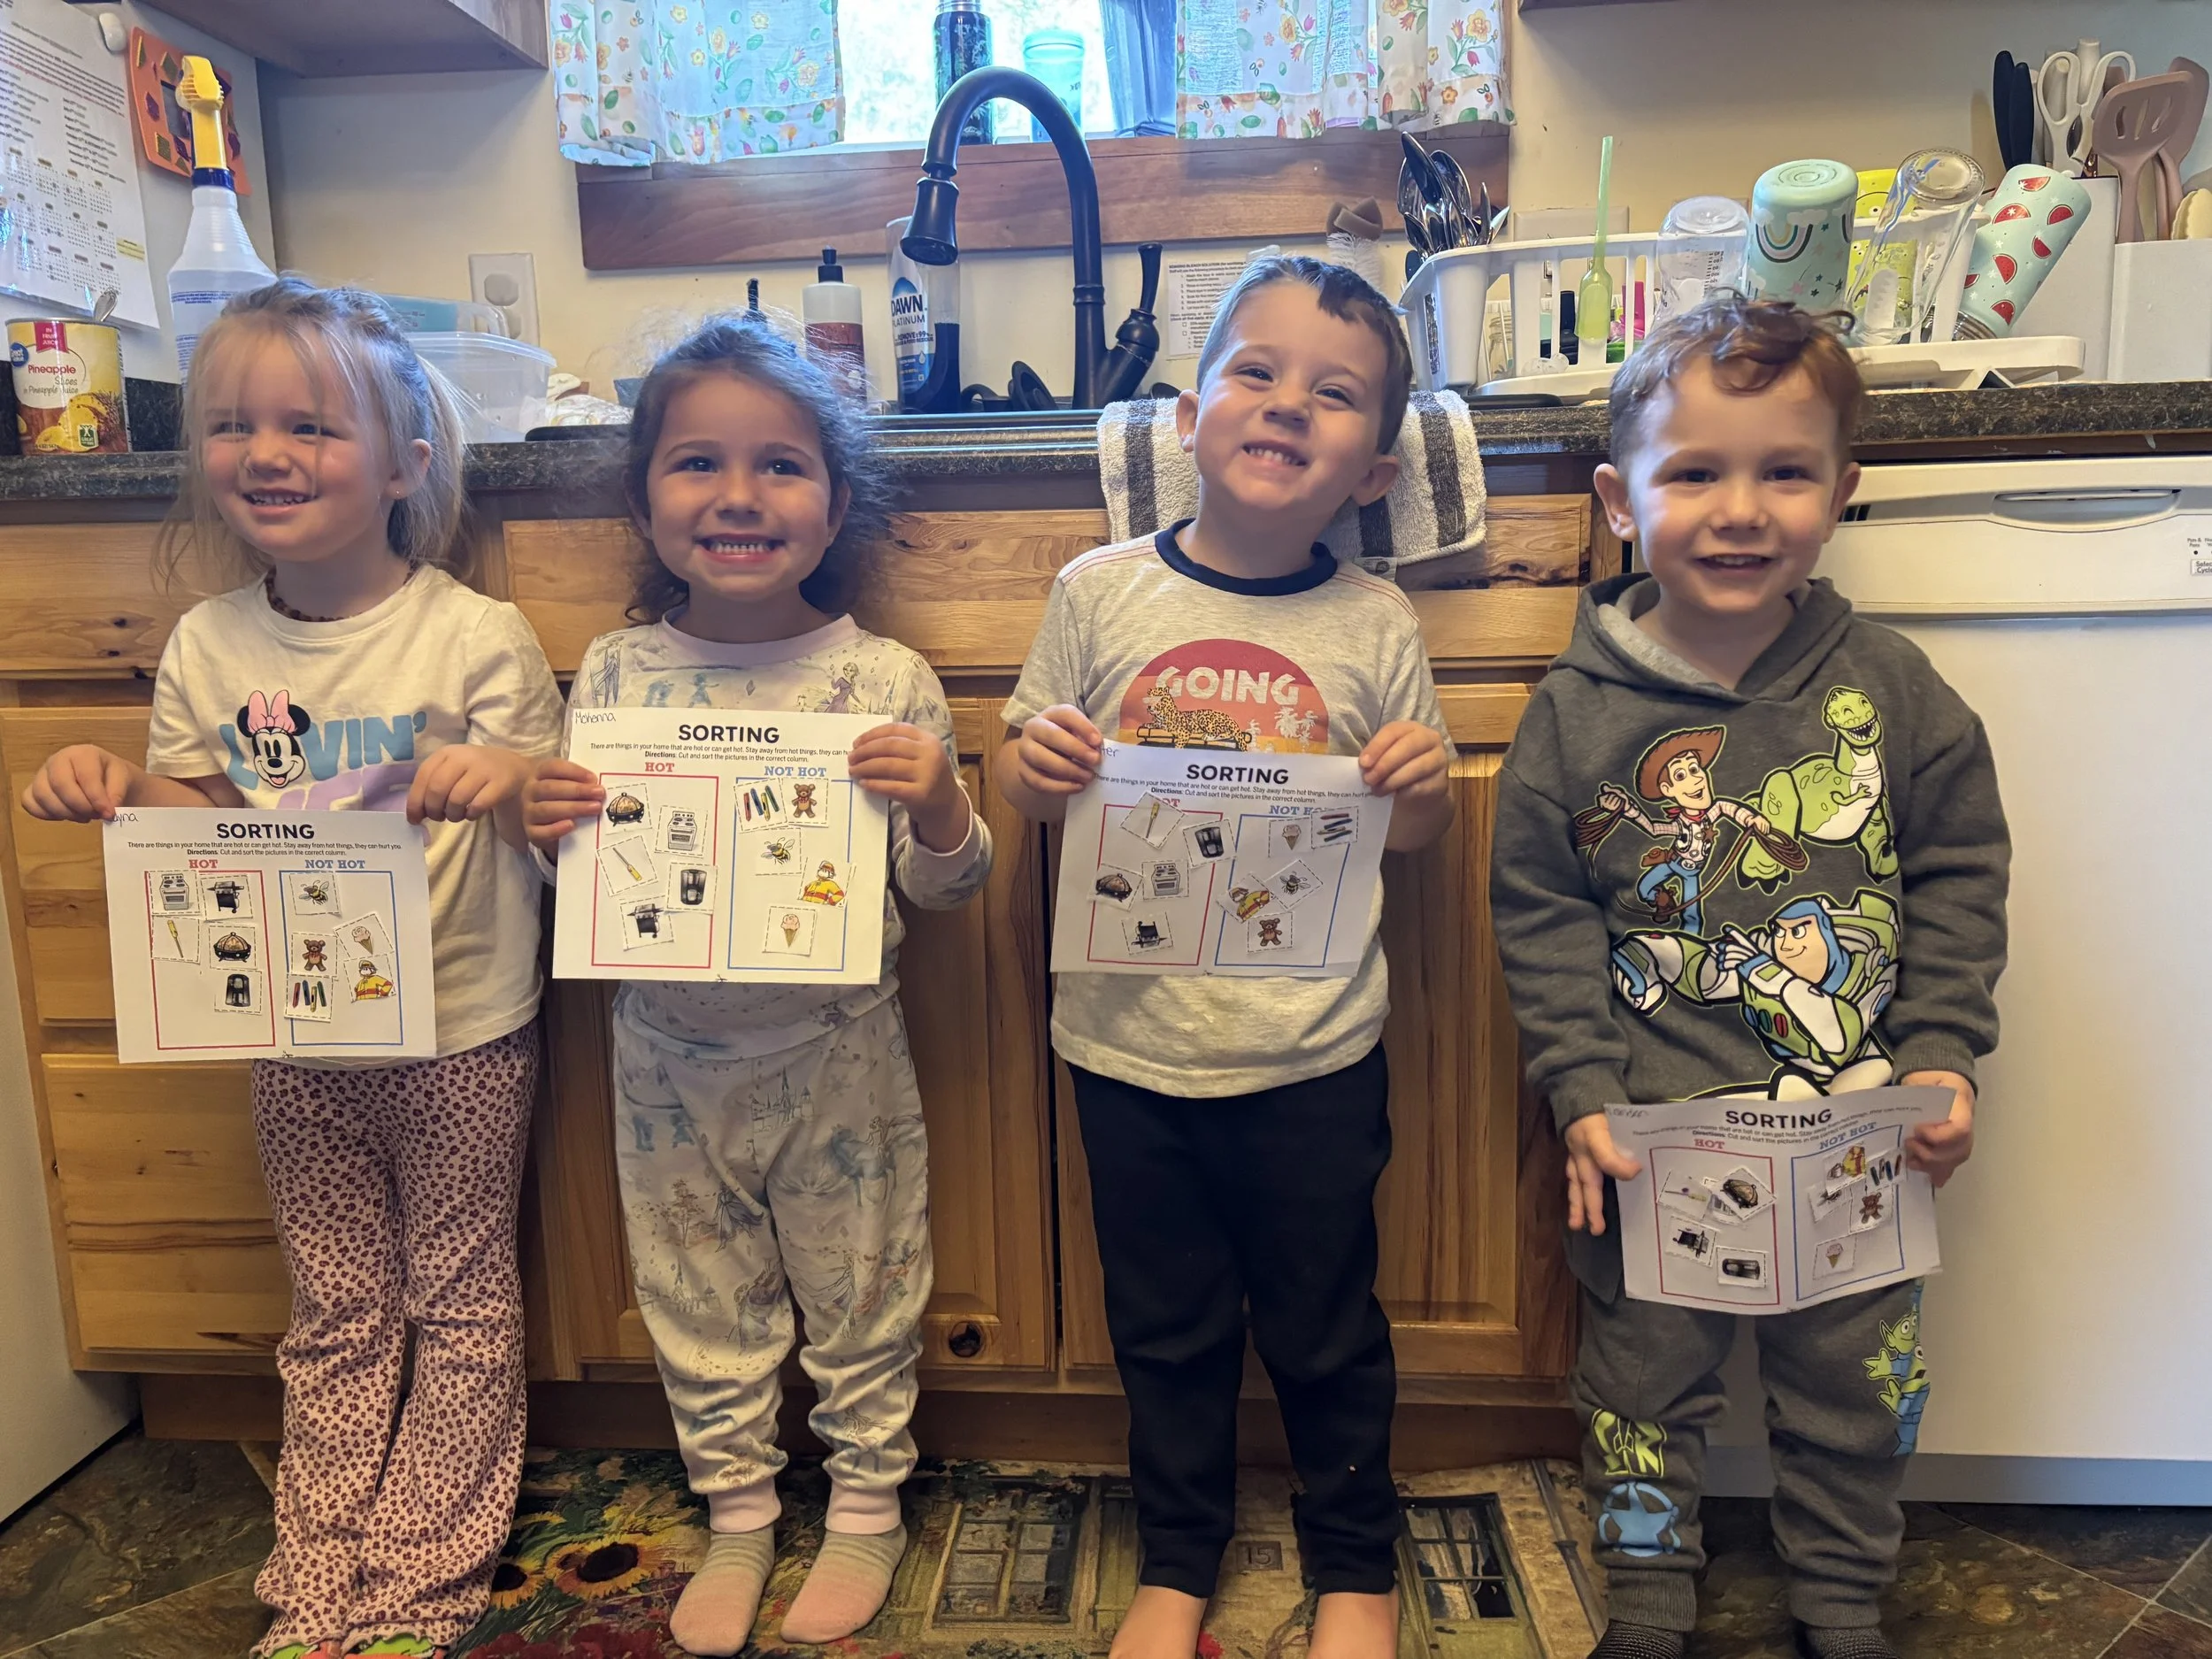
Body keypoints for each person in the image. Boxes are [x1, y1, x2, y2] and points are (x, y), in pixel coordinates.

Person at [21, 280, 565, 1659]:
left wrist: (505, 780)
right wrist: (116, 783)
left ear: (403, 464)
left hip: (458, 1031)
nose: (266, 453)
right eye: (232, 425)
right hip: (297, 1031)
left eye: (310, 426)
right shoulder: (211, 644)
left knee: (459, 1300)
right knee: (334, 1308)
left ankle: (418, 1584)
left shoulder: (472, 635)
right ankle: (313, 1574)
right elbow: (202, 813)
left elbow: (562, 822)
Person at [1489, 295, 2008, 1659]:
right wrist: (1579, 1092)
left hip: (1855, 1136)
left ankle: (1840, 1599)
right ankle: (1648, 1599)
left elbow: (1961, 874)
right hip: (1650, 1143)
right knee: (1638, 1392)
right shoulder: (1572, 716)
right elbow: (1540, 915)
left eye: (1783, 471)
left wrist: (1942, 1052)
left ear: (1840, 490)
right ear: (1620, 501)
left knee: (1855, 1391)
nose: (1739, 511)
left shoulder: (1894, 691)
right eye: (1694, 473)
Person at [996, 256, 1455, 1659]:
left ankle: (1357, 1567)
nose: (1287, 403)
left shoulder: (1376, 622)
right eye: (1256, 371)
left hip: (1313, 1054)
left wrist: (1421, 784)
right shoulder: (1098, 592)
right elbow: (1022, 773)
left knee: (1328, 1327)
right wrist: (1034, 761)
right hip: (1128, 1051)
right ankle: (1178, 1559)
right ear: (1190, 418)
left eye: (1334, 392)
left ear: (1375, 470)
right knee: (1166, 1329)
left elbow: (1418, 830)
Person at [520, 316, 992, 1657]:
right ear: (643, 501)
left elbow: (950, 891)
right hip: (663, 1058)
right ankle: (737, 1510)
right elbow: (586, 888)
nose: (738, 496)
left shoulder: (881, 680)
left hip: (839, 1051)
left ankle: (864, 1504)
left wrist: (943, 804)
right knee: (695, 1294)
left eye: (780, 465)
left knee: (864, 1288)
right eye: (697, 463)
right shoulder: (617, 673)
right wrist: (544, 831)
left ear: (834, 506)